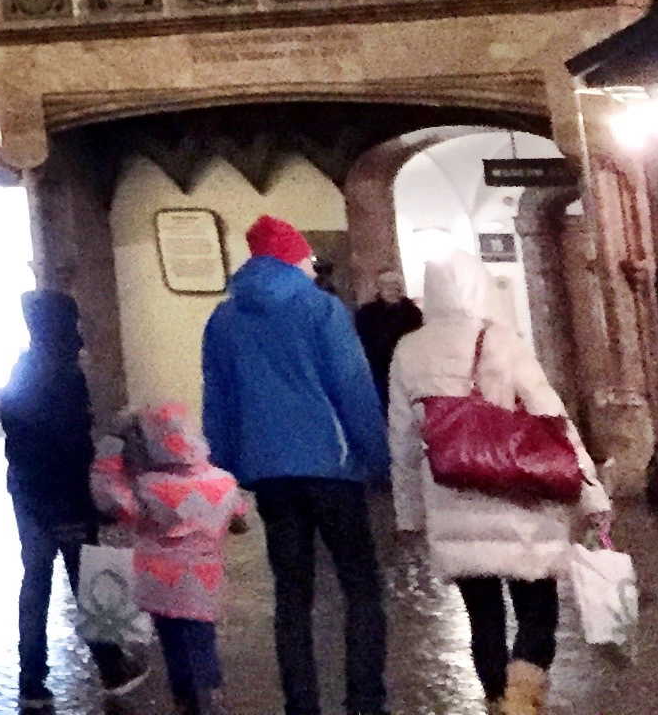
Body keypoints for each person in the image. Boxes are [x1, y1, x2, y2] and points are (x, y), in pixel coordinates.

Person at [388, 253, 610, 715]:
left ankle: (496, 704)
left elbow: (403, 441)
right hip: (519, 498)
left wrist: (409, 514)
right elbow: (554, 420)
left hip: (452, 500)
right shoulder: (502, 341)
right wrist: (591, 492)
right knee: (537, 614)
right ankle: (522, 704)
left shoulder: (409, 350)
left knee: (482, 619)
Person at [201, 215, 389, 715]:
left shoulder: (223, 318)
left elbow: (217, 399)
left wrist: (226, 468)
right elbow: (352, 388)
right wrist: (377, 457)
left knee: (291, 594)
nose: (312, 266)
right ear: (293, 258)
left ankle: (300, 705)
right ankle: (365, 701)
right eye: (307, 258)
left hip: (269, 473)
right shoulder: (320, 309)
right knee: (360, 585)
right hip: (333, 466)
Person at [0, 289, 135, 709]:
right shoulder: (62, 374)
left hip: (28, 489)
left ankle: (32, 680)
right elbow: (69, 438)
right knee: (89, 573)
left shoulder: (23, 368)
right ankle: (113, 667)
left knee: (37, 581)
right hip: (62, 490)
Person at [93, 402, 249, 715]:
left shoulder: (148, 486)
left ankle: (187, 702)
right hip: (203, 585)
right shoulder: (223, 482)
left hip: (159, 583)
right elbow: (239, 522)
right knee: (202, 640)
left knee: (174, 644)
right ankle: (208, 698)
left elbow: (114, 503)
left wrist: (107, 459)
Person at [355, 268, 424, 395]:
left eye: (395, 286)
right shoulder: (367, 315)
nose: (391, 291)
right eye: (387, 287)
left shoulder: (413, 313)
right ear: (379, 289)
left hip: (408, 369)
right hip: (380, 371)